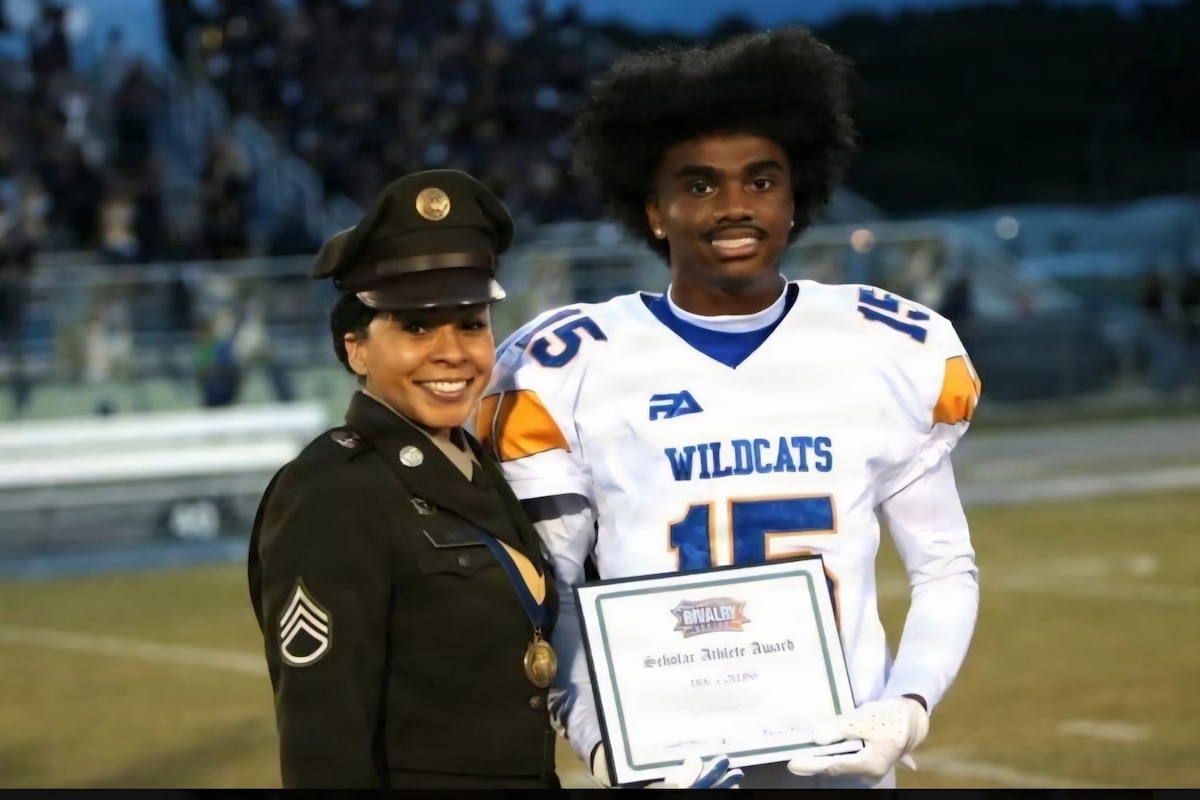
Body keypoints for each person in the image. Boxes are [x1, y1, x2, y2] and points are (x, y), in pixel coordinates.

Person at [478, 28, 982, 790]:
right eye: (700, 185)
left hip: (842, 763)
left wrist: (906, 707)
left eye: (761, 180)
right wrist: (609, 749)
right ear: (654, 210)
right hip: (668, 764)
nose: (734, 207)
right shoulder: (570, 362)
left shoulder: (887, 343)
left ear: (796, 195)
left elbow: (944, 566)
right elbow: (555, 599)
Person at [247, 169, 566, 789]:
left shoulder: (478, 464)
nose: (452, 351)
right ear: (356, 349)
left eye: (471, 323)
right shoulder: (332, 490)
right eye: (416, 327)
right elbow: (324, 746)